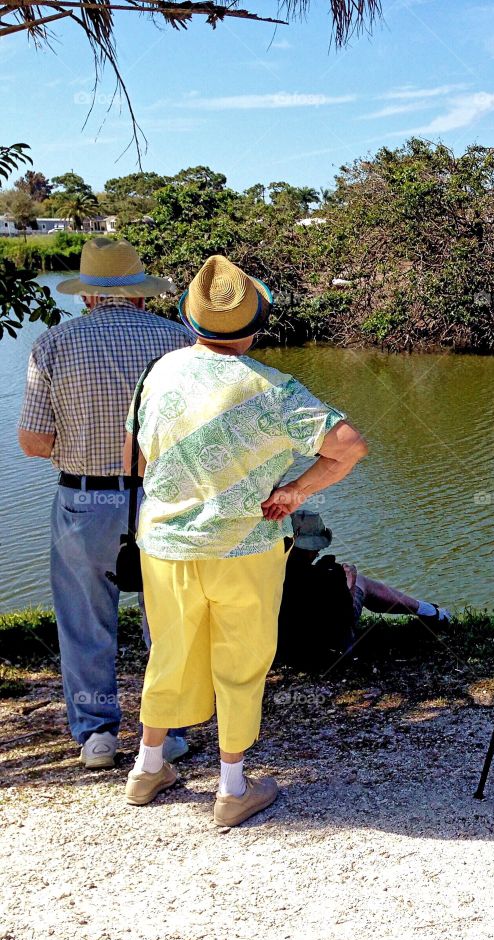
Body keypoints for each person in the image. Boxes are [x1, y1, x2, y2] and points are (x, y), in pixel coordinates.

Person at [123, 255, 367, 827]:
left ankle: (147, 766)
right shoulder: (275, 390)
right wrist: (294, 492)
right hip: (245, 546)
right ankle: (232, 788)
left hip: (165, 546)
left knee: (170, 652)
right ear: (255, 324)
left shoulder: (159, 373)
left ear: (191, 320)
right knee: (241, 658)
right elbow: (349, 446)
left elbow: (139, 460)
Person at [17, 237, 194, 770]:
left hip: (84, 500)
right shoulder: (182, 342)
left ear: (88, 296)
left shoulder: (53, 344)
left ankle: (96, 734)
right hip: (166, 498)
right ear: (140, 294)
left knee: (84, 621)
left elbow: (33, 442)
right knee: (168, 618)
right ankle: (169, 732)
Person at [276, 510, 451, 669]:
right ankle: (431, 612)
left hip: (282, 650)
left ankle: (428, 611)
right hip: (327, 651)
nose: (318, 553)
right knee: (361, 581)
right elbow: (344, 616)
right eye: (317, 549)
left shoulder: (271, 574)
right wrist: (349, 582)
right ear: (310, 550)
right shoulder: (325, 577)